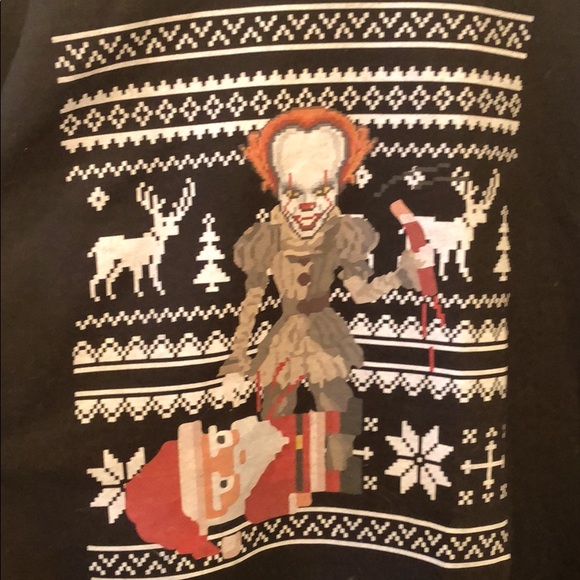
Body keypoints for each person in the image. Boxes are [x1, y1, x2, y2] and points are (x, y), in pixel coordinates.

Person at [218, 107, 423, 419]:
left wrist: (400, 276)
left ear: (337, 188)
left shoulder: (343, 234)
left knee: (336, 410)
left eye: (322, 190)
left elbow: (361, 293)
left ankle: (340, 453)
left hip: (326, 335)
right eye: (293, 193)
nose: (307, 204)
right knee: (274, 414)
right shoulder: (266, 238)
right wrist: (236, 359)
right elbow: (252, 303)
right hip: (284, 338)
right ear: (277, 190)